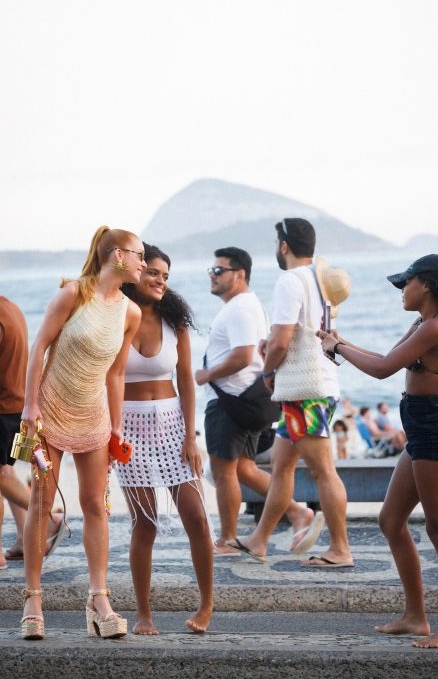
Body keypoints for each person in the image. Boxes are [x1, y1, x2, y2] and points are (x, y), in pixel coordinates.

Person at [320, 253, 438, 649]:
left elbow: (383, 370)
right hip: (422, 428)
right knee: (390, 520)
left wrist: (338, 350)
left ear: (426, 284)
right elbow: (385, 359)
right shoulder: (423, 323)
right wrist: (339, 342)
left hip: (436, 430)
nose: (402, 291)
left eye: (405, 283)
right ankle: (415, 616)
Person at [19, 226, 144, 640]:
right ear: (116, 255)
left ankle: (98, 599)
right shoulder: (73, 294)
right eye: (138, 255)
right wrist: (29, 406)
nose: (144, 262)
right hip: (50, 408)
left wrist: (117, 426)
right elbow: (39, 347)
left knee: (96, 504)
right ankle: (33, 597)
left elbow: (118, 373)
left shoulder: (131, 312)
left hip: (94, 414)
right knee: (40, 501)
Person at [226, 219, 353, 569]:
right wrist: (274, 345)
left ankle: (340, 549)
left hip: (304, 389)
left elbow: (283, 338)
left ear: (284, 245)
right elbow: (300, 332)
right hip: (317, 385)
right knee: (282, 467)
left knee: (323, 470)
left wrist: (267, 371)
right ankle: (259, 540)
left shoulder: (290, 280)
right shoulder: (318, 281)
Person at [195, 246, 323, 558]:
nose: (212, 276)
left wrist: (206, 374)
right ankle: (296, 512)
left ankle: (227, 539)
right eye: (211, 271)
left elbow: (243, 356)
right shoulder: (245, 305)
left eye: (218, 271)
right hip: (245, 399)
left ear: (239, 275)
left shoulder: (239, 307)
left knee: (224, 471)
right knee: (245, 469)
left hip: (232, 401)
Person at [117, 244, 214, 635]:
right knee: (145, 523)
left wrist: (191, 437)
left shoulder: (176, 322)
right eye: (153, 272)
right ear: (135, 272)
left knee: (197, 516)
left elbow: (186, 380)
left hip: (173, 425)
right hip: (128, 428)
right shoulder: (115, 315)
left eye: (165, 276)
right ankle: (144, 614)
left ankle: (206, 605)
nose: (159, 280)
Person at [0, 297, 63, 569]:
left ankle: (48, 518)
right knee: (7, 472)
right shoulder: (10, 307)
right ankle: (24, 541)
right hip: (17, 405)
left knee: (1, 476)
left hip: (4, 409)